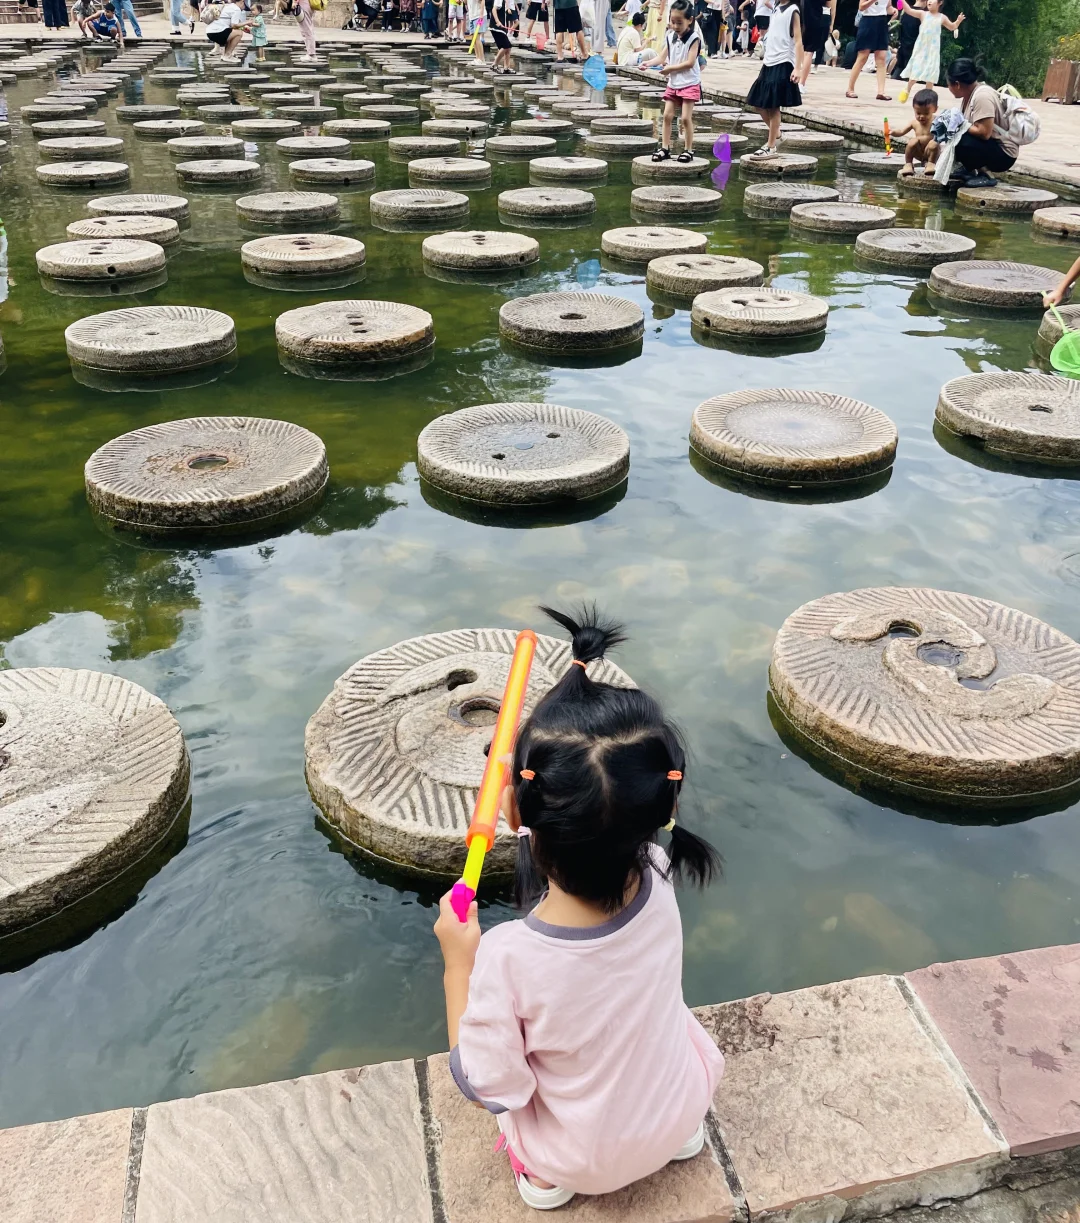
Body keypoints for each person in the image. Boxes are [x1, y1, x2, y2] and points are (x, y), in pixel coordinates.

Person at [434, 607, 724, 1212]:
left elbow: (489, 1084)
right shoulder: (660, 872)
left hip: (580, 1160)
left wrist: (459, 964)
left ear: (513, 811)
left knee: (517, 1103)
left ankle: (545, 1180)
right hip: (681, 1107)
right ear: (664, 803)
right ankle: (677, 1138)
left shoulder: (509, 956)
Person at [944, 58, 1019, 186]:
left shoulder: (982, 96)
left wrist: (959, 124)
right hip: (991, 146)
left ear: (957, 84)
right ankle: (969, 170)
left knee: (961, 139)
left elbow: (984, 133)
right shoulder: (969, 94)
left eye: (949, 85)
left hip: (1004, 155)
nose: (948, 88)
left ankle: (986, 175)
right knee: (952, 133)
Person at [650, 0, 704, 162]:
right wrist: (647, 63)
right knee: (667, 116)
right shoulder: (670, 36)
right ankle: (665, 148)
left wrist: (670, 69)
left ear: (690, 20)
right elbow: (661, 57)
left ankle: (688, 150)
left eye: (679, 22)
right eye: (672, 22)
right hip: (673, 83)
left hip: (689, 83)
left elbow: (690, 63)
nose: (675, 26)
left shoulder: (694, 38)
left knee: (686, 118)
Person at [745, 0, 801, 156]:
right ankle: (777, 135)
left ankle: (771, 146)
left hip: (783, 61)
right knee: (758, 103)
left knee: (773, 105)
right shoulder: (776, 8)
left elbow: (798, 41)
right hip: (769, 61)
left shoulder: (793, 10)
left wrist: (797, 68)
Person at [898, 0, 964, 101]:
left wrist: (958, 21)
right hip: (921, 48)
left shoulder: (942, 17)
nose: (929, 1)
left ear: (939, 3)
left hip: (933, 50)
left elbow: (952, 27)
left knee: (931, 73)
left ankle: (928, 97)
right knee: (916, 69)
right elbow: (909, 10)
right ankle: (907, 89)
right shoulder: (923, 14)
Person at [845, 0, 896, 100]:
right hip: (868, 21)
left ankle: (881, 92)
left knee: (881, 58)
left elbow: (888, 7)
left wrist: (893, 10)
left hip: (882, 22)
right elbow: (861, 7)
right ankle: (850, 89)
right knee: (862, 57)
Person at [893, 86, 939, 173]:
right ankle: (908, 164)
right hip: (919, 152)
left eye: (926, 113)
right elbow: (901, 132)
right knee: (912, 141)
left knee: (934, 143)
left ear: (935, 109)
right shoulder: (914, 123)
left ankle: (930, 164)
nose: (921, 116)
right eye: (918, 113)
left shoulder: (937, 122)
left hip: (931, 152)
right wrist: (892, 132)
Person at [798, 0, 834, 84]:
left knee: (799, 48)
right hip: (815, 20)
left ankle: (796, 76)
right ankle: (801, 83)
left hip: (801, 18)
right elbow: (828, 5)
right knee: (809, 52)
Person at [891, 0, 923, 79]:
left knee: (898, 72)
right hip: (914, 50)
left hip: (902, 48)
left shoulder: (905, 11)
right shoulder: (923, 14)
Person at [487, 0, 514, 71]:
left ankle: (506, 68)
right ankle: (494, 64)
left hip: (501, 28)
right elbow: (494, 9)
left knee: (508, 47)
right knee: (506, 46)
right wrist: (498, 21)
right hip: (496, 27)